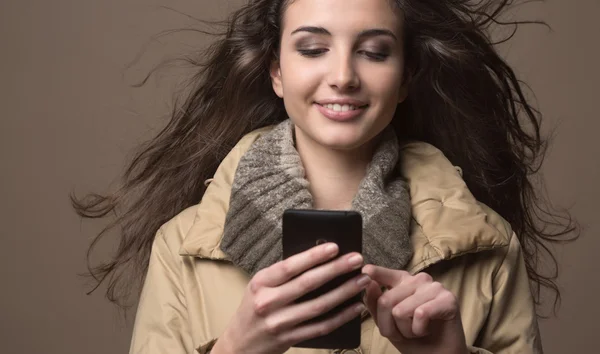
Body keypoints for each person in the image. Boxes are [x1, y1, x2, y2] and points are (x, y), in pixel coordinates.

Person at [72, 0, 578, 353]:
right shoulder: (182, 245)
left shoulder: (487, 244)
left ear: (405, 78)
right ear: (276, 72)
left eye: (375, 51)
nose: (342, 75)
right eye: (313, 48)